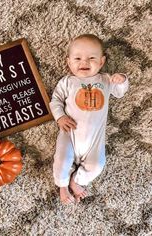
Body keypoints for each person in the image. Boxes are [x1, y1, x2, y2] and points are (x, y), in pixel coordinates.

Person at [49, 34, 129, 204]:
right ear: (69, 62)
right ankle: (62, 186)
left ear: (101, 62)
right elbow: (55, 100)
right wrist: (60, 117)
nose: (84, 63)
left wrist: (121, 80)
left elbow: (120, 92)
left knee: (97, 165)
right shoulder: (67, 82)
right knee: (62, 160)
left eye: (91, 58)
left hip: (94, 140)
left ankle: (77, 180)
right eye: (77, 58)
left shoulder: (106, 80)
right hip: (69, 133)